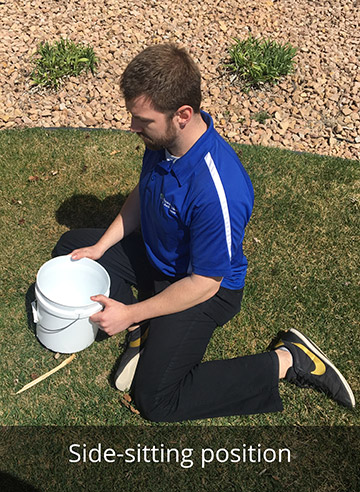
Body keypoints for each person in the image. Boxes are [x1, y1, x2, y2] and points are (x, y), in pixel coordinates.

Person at [54, 44, 355, 422]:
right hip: (159, 258)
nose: (132, 128)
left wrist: (130, 312)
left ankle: (289, 359)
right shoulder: (163, 141)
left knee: (156, 399)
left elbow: (205, 283)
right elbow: (144, 192)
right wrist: (101, 247)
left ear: (182, 115)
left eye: (142, 120)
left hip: (203, 288)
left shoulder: (217, 190)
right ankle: (145, 328)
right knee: (72, 248)